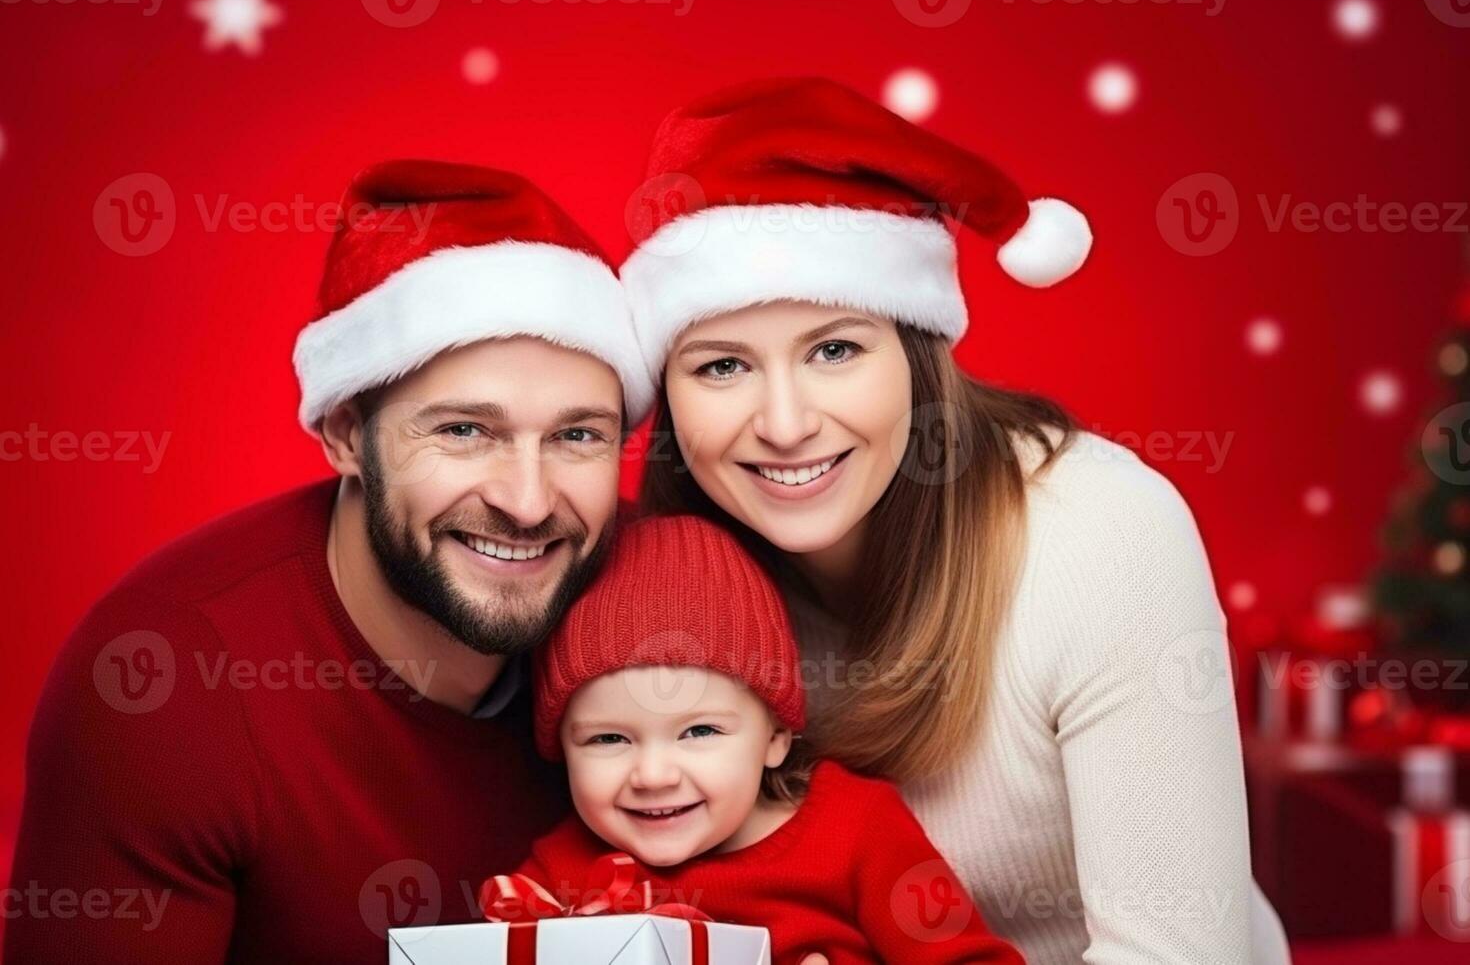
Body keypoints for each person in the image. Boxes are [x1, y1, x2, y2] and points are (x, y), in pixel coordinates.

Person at [623, 77, 1283, 964]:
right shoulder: (663, 584)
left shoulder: (1102, 532)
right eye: (721, 367)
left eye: (835, 349)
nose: (783, 424)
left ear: (918, 354)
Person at [4, 160, 656, 962]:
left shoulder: (673, 601)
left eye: (577, 435)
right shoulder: (175, 684)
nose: (527, 501)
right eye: (463, 431)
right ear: (346, 433)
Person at [500, 514, 1025, 964]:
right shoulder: (558, 877)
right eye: (609, 740)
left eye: (700, 731)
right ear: (561, 748)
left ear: (776, 734)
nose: (654, 776)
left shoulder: (857, 829)